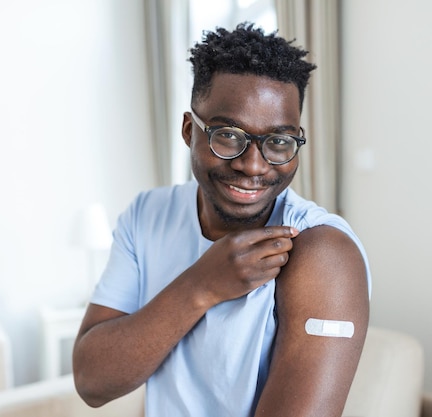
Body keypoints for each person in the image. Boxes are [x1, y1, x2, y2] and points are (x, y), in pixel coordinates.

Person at [73, 22, 371, 417]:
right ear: (187, 130)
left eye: (279, 141)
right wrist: (201, 285)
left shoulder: (323, 253)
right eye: (229, 135)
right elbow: (92, 381)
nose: (253, 165)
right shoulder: (147, 216)